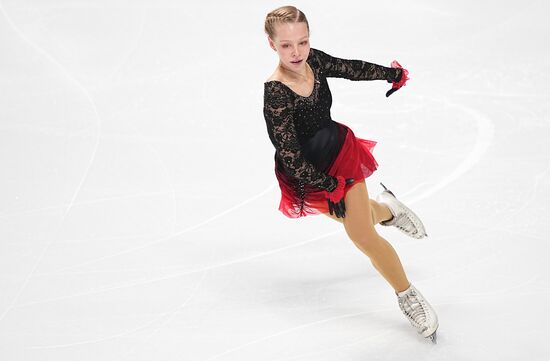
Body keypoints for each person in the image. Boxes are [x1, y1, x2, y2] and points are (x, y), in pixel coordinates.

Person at [262, 6, 439, 343]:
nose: (297, 52)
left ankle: (407, 295)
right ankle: (389, 210)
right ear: (272, 45)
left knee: (361, 235)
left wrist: (389, 74)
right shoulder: (276, 93)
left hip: (340, 154)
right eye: (287, 45)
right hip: (308, 176)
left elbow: (350, 68)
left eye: (303, 41)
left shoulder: (314, 60)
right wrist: (331, 187)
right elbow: (290, 155)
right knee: (359, 220)